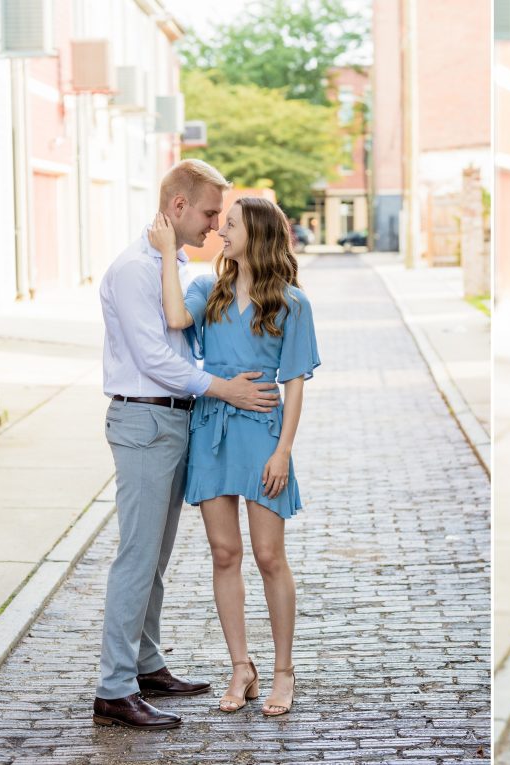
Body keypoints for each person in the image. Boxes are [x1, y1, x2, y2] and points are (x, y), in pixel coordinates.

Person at [95, 159, 280, 730]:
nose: (212, 226)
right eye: (207, 213)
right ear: (177, 207)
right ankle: (114, 687)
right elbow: (153, 358)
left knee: (156, 557)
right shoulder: (133, 270)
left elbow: (181, 338)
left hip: (175, 422)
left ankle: (146, 664)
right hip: (145, 423)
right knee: (136, 556)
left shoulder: (172, 264)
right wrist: (222, 386)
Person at [149, 194, 319, 717]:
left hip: (264, 437)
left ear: (259, 235)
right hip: (212, 431)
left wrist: (284, 452)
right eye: (221, 223)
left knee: (270, 556)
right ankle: (241, 666)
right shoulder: (209, 289)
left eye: (231, 225)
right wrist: (167, 252)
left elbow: (294, 384)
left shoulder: (292, 303)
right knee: (225, 554)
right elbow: (176, 316)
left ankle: (284, 671)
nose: (222, 232)